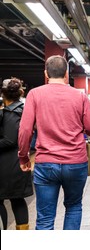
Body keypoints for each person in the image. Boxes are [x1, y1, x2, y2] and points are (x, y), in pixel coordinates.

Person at [18, 55, 90, 230]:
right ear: (66, 74)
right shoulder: (80, 96)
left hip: (46, 163)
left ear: (46, 73)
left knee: (45, 218)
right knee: (74, 207)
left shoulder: (34, 94)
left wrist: (23, 157)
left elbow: (24, 130)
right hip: (76, 162)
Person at [0, 78, 33, 230]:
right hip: (18, 161)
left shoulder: (11, 113)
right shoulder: (23, 109)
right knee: (17, 200)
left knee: (5, 200)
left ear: (3, 94)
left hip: (8, 164)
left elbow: (9, 140)